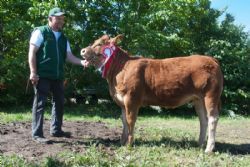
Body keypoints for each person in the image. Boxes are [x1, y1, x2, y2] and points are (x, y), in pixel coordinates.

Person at [28, 7, 88, 144]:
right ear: (50, 18)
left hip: (58, 76)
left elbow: (69, 56)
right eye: (58, 18)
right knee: (40, 104)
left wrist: (81, 62)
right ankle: (37, 134)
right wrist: (33, 72)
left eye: (62, 19)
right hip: (42, 74)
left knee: (60, 102)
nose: (61, 21)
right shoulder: (41, 32)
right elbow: (32, 52)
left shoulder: (63, 38)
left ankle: (56, 130)